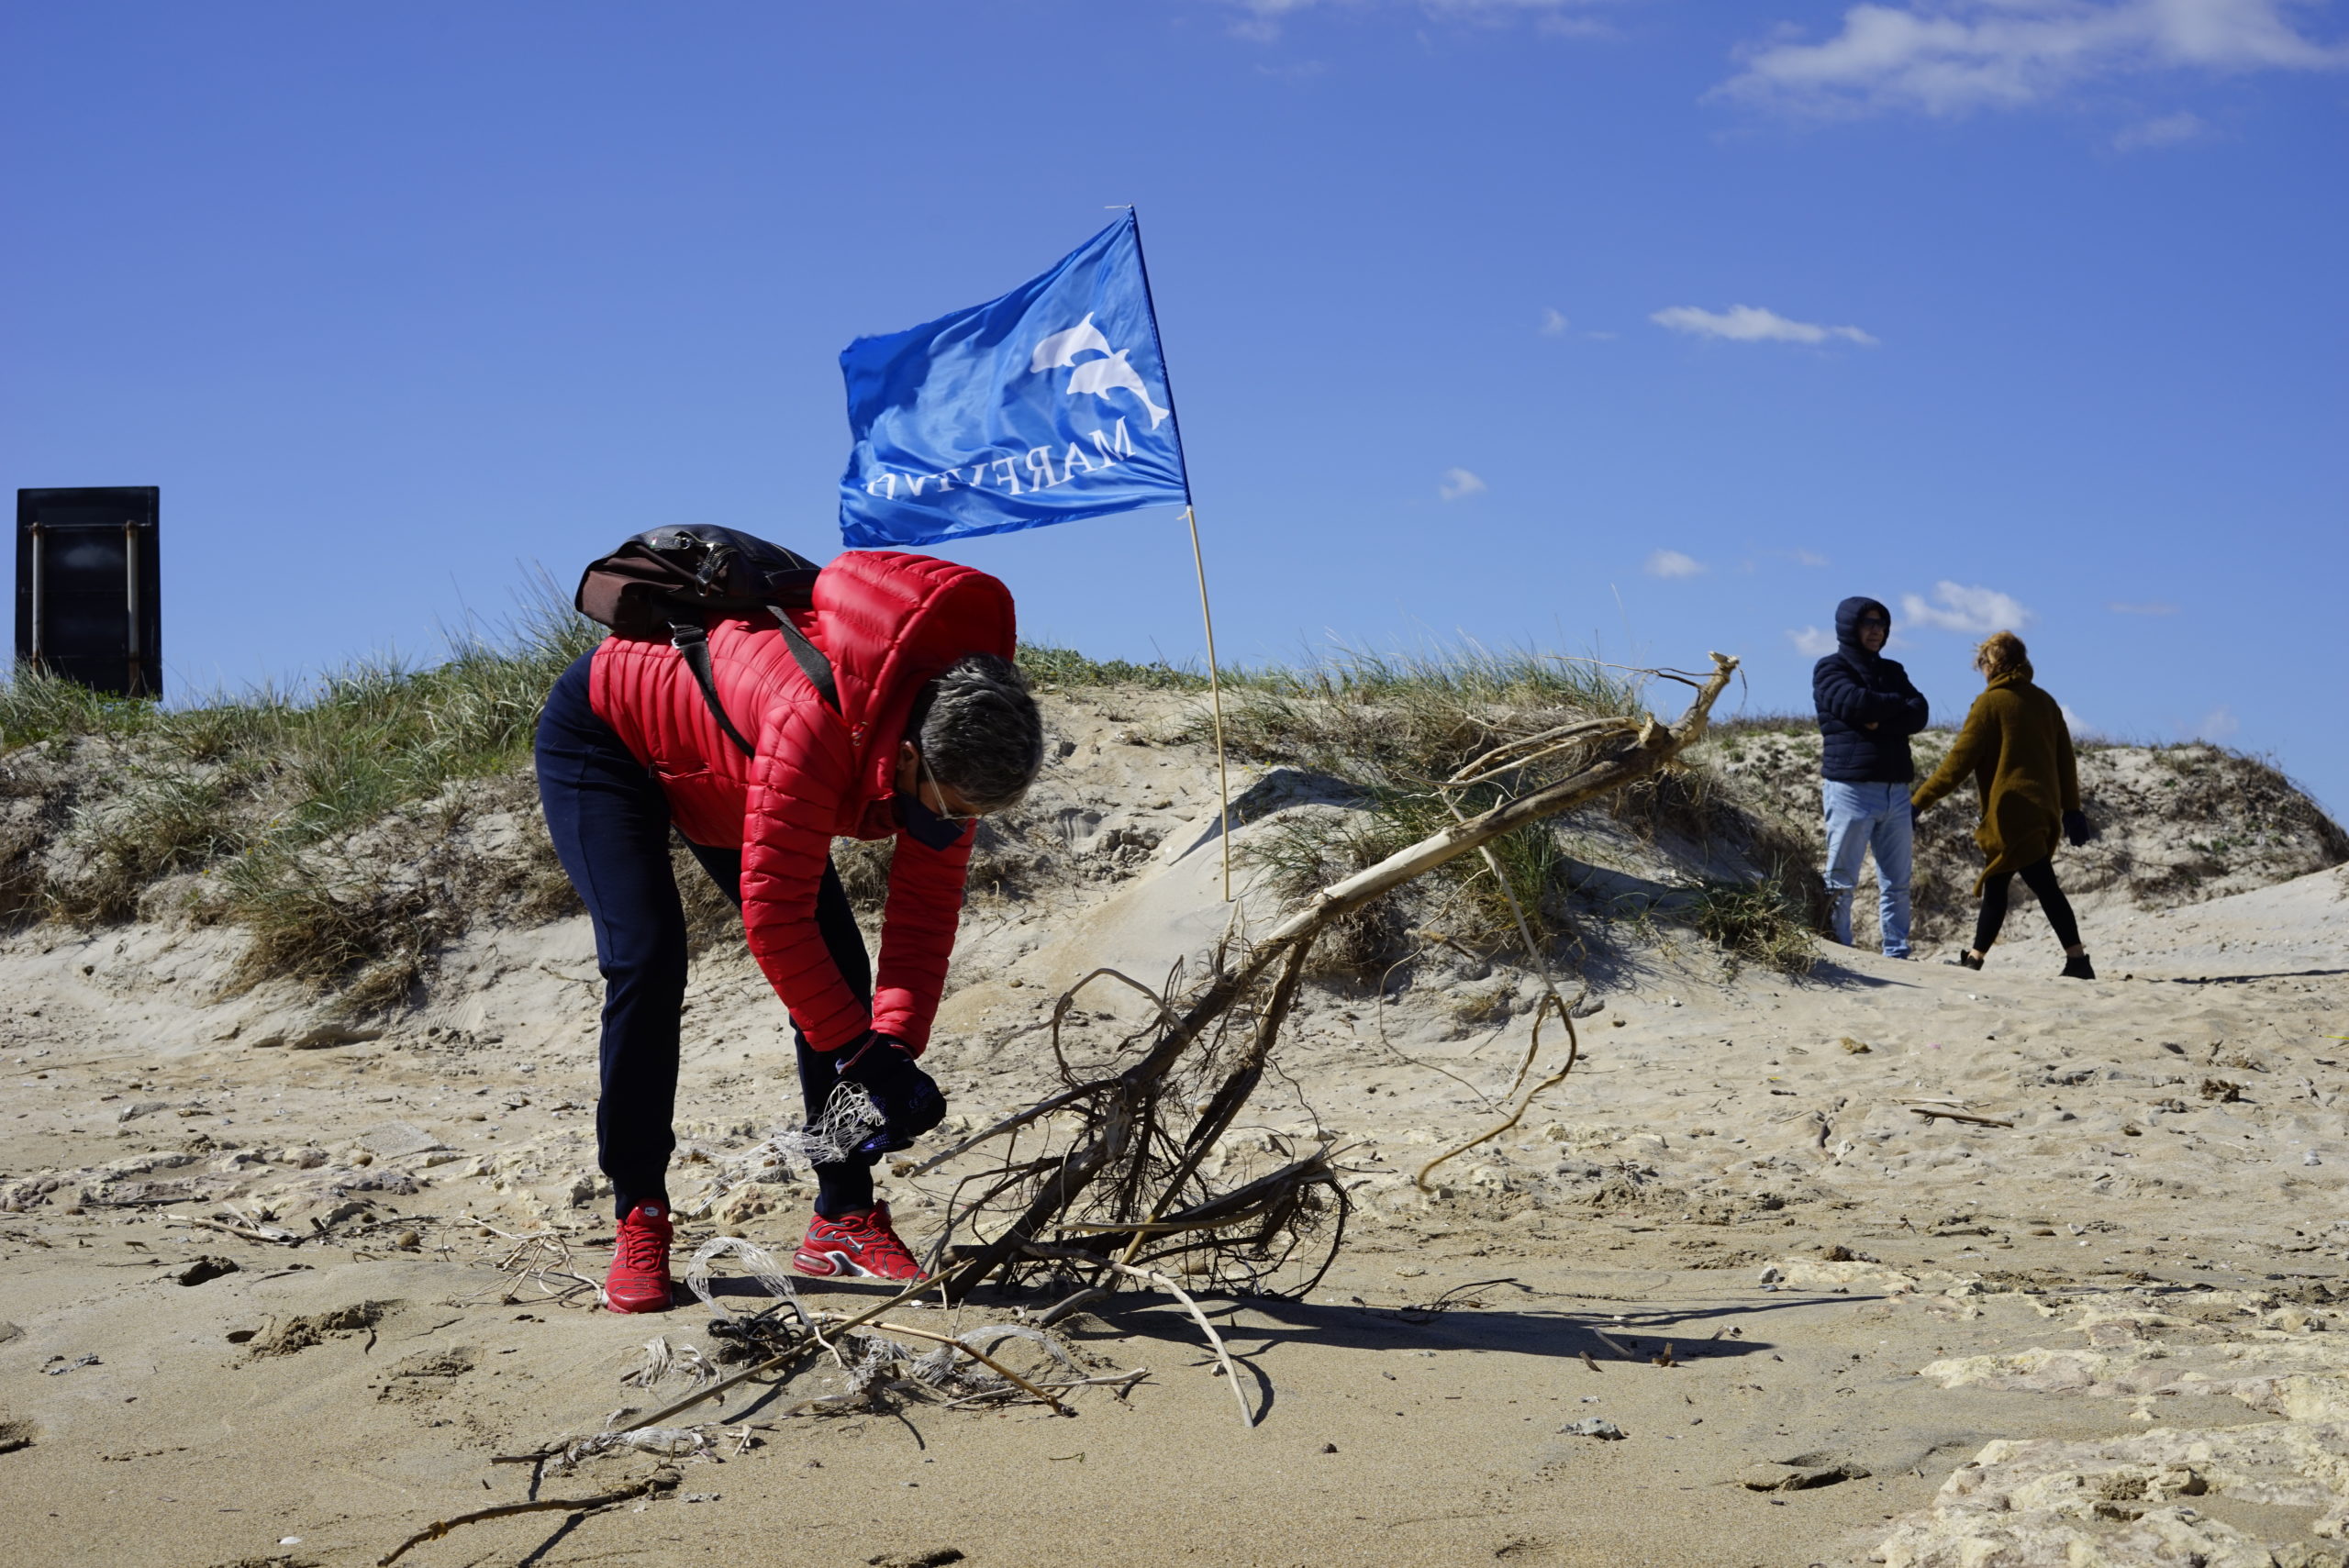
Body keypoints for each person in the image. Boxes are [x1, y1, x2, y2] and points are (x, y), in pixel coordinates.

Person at [534, 549, 1044, 1313]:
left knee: (839, 970)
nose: (960, 824)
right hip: (608, 737)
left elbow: (924, 914)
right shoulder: (812, 720)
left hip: (723, 761)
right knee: (648, 959)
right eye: (955, 808)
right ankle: (640, 1211)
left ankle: (842, 1215)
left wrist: (893, 1048)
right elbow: (776, 921)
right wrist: (861, 1056)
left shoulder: (951, 757)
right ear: (910, 754)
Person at [1910, 629, 2097, 979]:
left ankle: (2078, 961)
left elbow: (1957, 764)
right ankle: (1975, 958)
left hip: (2010, 813)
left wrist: (1918, 803)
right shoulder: (2045, 702)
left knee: (2041, 884)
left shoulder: (1989, 704)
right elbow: (2066, 762)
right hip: (2042, 810)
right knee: (2001, 883)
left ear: (1992, 664)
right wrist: (2071, 809)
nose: (1981, 669)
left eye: (1982, 662)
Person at [1811, 595, 1930, 958]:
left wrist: (1882, 717)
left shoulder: (1893, 670)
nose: (1876, 630)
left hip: (1897, 790)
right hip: (1851, 788)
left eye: (1881, 624)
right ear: (1850, 626)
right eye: (1868, 623)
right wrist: (1896, 706)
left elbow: (1919, 712)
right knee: (1841, 880)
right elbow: (1856, 704)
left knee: (1897, 883)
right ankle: (1840, 951)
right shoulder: (1830, 668)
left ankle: (1897, 952)